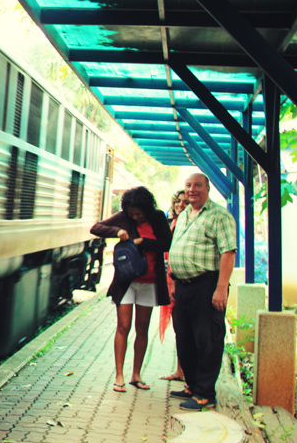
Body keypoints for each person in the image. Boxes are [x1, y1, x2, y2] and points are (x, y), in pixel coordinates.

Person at [91, 186, 171, 393]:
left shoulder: (158, 217)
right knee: (123, 326)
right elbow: (96, 228)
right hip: (126, 281)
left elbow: (167, 243)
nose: (135, 217)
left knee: (142, 328)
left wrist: (143, 243)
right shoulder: (124, 216)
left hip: (150, 281)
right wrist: (117, 231)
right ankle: (119, 376)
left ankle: (136, 374)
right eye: (131, 213)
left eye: (139, 213)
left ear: (147, 209)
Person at [168, 173, 237, 411]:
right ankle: (192, 385)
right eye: (188, 186)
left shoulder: (219, 216)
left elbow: (228, 252)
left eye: (198, 185)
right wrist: (174, 282)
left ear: (208, 189)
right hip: (184, 287)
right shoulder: (185, 213)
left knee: (207, 340)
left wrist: (221, 288)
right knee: (184, 337)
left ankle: (205, 393)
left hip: (207, 286)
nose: (192, 189)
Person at [160, 189, 189, 382]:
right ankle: (180, 370)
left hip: (181, 281)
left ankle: (185, 372)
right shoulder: (174, 223)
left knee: (184, 327)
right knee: (179, 328)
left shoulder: (187, 224)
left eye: (185, 203)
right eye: (178, 202)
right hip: (170, 279)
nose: (180, 205)